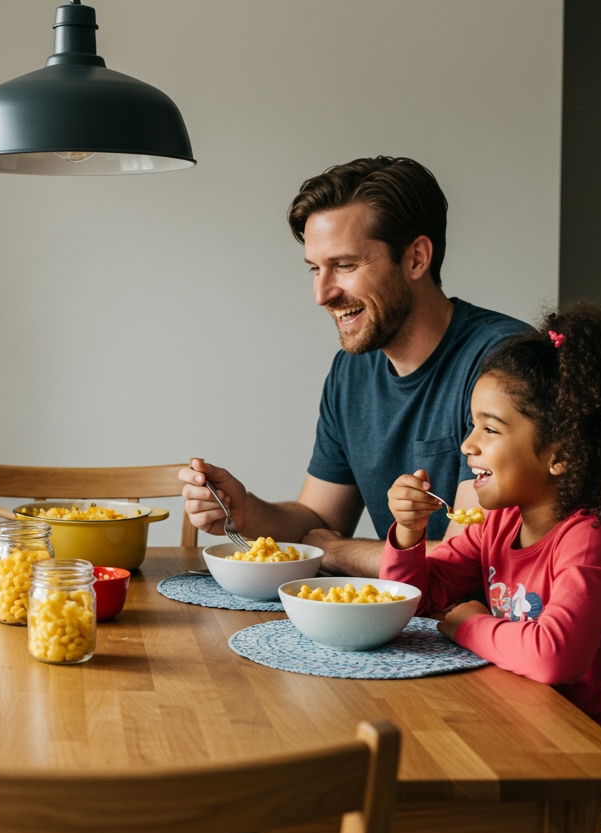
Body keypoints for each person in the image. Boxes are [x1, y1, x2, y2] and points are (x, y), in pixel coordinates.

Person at [311, 304, 601, 833]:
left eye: (489, 429)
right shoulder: (501, 525)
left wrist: (465, 624)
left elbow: (551, 655)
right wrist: (407, 537)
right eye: (472, 425)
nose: (467, 445)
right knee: (336, 829)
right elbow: (419, 595)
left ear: (561, 451)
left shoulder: (593, 542)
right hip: (530, 762)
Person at [180, 157, 529, 576]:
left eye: (344, 265)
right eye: (315, 268)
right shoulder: (351, 372)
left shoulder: (504, 365)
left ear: (416, 258)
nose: (322, 294)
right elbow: (320, 520)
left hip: (498, 628)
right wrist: (245, 510)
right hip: (410, 622)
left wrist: (337, 552)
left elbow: (468, 559)